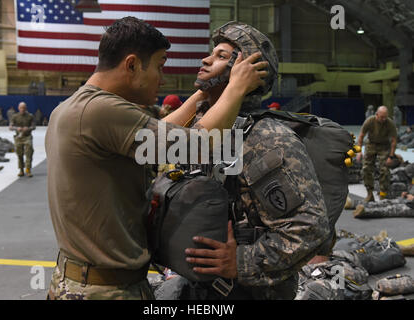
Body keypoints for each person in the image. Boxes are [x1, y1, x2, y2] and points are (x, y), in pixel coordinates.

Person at [44, 16, 268, 300]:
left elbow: (163, 133)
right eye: (160, 67)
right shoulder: (101, 111)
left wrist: (206, 89)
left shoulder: (75, 107)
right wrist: (235, 87)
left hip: (80, 280)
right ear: (132, 65)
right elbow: (195, 146)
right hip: (106, 291)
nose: (162, 79)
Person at [179, 22, 329, 300]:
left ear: (244, 71)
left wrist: (242, 262)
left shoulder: (266, 138)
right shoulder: (197, 127)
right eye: (212, 53)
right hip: (198, 286)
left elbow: (309, 227)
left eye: (222, 56)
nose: (206, 59)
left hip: (249, 292)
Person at [356, 106, 397, 202]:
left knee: (385, 170)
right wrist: (359, 152)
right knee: (366, 169)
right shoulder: (370, 121)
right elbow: (361, 136)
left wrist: (391, 156)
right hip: (371, 144)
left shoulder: (390, 123)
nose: (383, 119)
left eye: (385, 117)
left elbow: (394, 141)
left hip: (384, 146)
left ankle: (383, 194)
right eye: (381, 117)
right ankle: (370, 194)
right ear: (377, 114)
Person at [9, 102, 36, 177]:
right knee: (19, 154)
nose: (22, 109)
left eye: (24, 108)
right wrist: (17, 128)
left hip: (27, 137)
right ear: (18, 108)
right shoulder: (15, 116)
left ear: (26, 108)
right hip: (18, 137)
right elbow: (10, 127)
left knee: (29, 153)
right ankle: (21, 170)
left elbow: (34, 126)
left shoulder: (30, 116)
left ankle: (28, 170)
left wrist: (28, 128)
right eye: (21, 108)